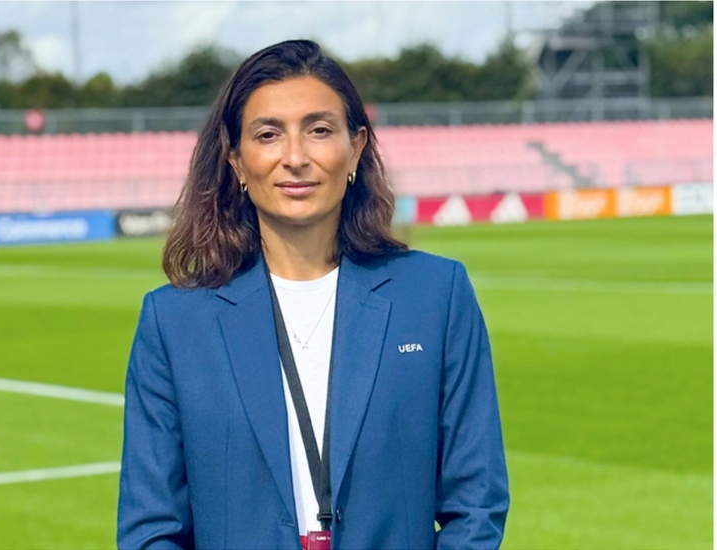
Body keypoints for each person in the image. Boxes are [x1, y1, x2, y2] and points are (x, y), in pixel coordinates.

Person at [117, 39, 509, 550]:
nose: (296, 157)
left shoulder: (436, 296)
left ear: (356, 147)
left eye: (319, 130)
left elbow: (475, 504)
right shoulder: (174, 321)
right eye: (268, 134)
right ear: (237, 161)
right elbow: (151, 530)